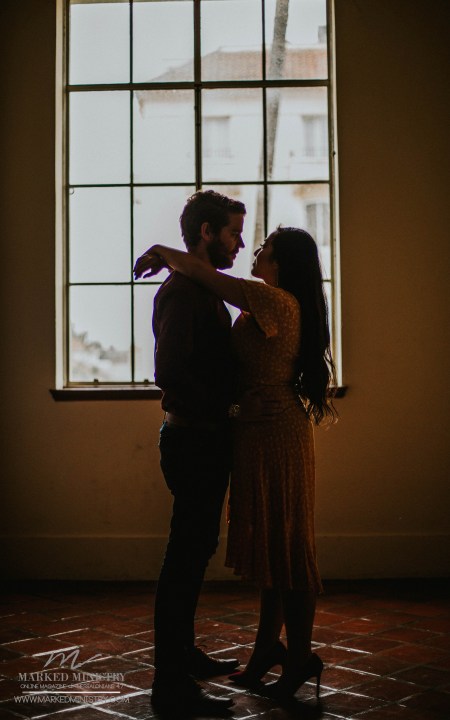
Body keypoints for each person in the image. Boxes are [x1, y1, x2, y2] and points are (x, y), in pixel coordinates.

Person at [134, 225, 337, 703]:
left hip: (275, 431)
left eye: (264, 247)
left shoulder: (274, 300)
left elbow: (205, 273)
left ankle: (300, 656)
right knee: (272, 545)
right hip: (257, 430)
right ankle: (266, 649)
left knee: (287, 544)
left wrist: (162, 251)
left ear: (280, 263)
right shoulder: (265, 300)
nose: (251, 249)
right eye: (243, 236)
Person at [138, 190, 246, 717]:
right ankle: (170, 681)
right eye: (233, 233)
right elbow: (170, 372)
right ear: (206, 232)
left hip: (203, 438)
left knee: (195, 550)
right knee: (184, 557)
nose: (239, 244)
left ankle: (182, 653)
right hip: (194, 440)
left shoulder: (200, 286)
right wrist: (226, 409)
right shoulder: (183, 293)